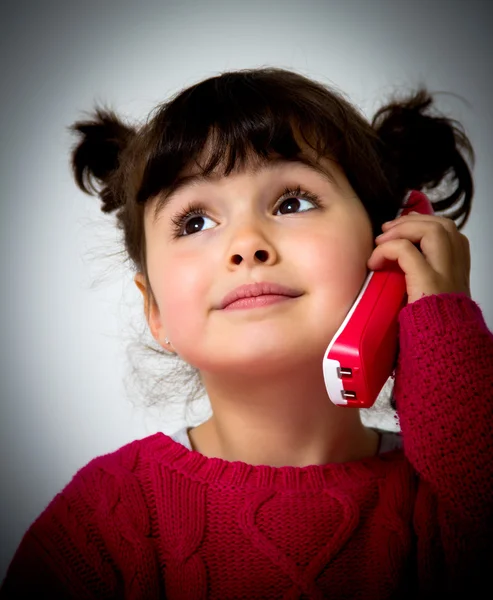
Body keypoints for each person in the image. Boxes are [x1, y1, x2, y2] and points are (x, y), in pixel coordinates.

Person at [1, 67, 492, 599]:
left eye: (292, 202)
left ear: (386, 250)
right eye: (194, 222)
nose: (247, 245)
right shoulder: (100, 519)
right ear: (155, 311)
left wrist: (443, 326)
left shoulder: (454, 495)